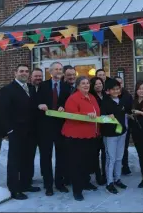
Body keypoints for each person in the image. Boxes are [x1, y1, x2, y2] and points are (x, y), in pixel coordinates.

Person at [0, 64, 40, 200]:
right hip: (16, 131)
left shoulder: (32, 88)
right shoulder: (7, 90)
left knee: (28, 159)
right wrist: (9, 130)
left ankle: (26, 184)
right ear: (15, 73)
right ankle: (14, 189)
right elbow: (3, 112)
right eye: (21, 71)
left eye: (27, 71)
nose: (24, 73)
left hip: (31, 131)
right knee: (15, 161)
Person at [62, 76, 101, 201]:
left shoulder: (92, 97)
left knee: (87, 162)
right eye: (83, 83)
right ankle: (77, 190)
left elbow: (97, 114)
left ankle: (85, 182)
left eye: (87, 83)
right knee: (76, 164)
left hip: (90, 135)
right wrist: (86, 115)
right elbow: (71, 116)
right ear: (78, 86)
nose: (86, 85)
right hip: (76, 137)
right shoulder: (73, 98)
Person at [37, 62, 71, 196]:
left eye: (60, 69)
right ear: (50, 72)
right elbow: (36, 101)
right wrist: (40, 105)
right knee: (46, 157)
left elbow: (69, 103)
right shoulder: (43, 85)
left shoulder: (66, 86)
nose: (58, 71)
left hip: (61, 126)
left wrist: (64, 106)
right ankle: (48, 185)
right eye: (56, 69)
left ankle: (59, 183)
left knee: (61, 156)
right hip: (45, 127)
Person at [100, 79, 128, 194]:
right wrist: (107, 115)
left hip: (122, 133)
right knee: (111, 158)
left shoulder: (121, 101)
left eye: (118, 88)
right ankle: (109, 182)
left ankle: (117, 179)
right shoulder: (104, 102)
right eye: (114, 89)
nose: (116, 91)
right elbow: (101, 117)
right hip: (110, 135)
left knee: (119, 157)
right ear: (108, 91)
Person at [114, 76, 133, 176]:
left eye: (120, 83)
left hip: (125, 124)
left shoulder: (127, 95)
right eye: (117, 83)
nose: (119, 85)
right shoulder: (110, 95)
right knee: (114, 148)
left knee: (124, 147)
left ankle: (125, 166)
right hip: (113, 126)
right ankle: (114, 168)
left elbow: (130, 109)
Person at [89, 77, 107, 185]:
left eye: (100, 83)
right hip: (94, 129)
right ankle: (98, 175)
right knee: (95, 154)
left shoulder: (106, 95)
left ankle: (105, 174)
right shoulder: (91, 97)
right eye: (96, 84)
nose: (98, 85)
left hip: (105, 129)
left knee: (105, 153)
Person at [28, 68, 43, 185]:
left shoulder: (45, 88)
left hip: (43, 128)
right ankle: (28, 177)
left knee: (44, 154)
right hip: (30, 128)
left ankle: (45, 175)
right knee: (29, 155)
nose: (38, 78)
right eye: (36, 76)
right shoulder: (27, 89)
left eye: (40, 76)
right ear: (31, 77)